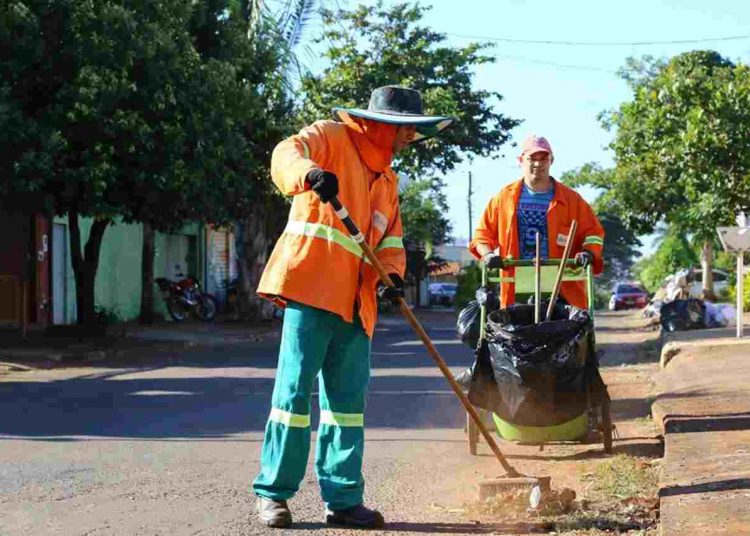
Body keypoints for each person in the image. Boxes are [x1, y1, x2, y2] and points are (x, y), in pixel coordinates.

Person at [253, 86, 453, 529]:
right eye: (405, 132)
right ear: (384, 125)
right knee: (292, 398)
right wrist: (309, 174)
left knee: (346, 405)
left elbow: (392, 241)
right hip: (311, 286)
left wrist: (394, 277)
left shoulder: (388, 181)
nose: (408, 141)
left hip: (356, 303)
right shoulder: (330, 137)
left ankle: (343, 499)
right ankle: (273, 495)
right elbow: (285, 153)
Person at [469, 135, 604, 310]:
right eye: (532, 158)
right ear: (521, 160)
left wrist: (589, 253)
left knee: (563, 336)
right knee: (517, 335)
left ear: (551, 161)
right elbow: (482, 236)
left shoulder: (572, 200)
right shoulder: (504, 198)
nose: (538, 164)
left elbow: (593, 233)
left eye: (543, 158)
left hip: (563, 290)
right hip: (516, 286)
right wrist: (488, 255)